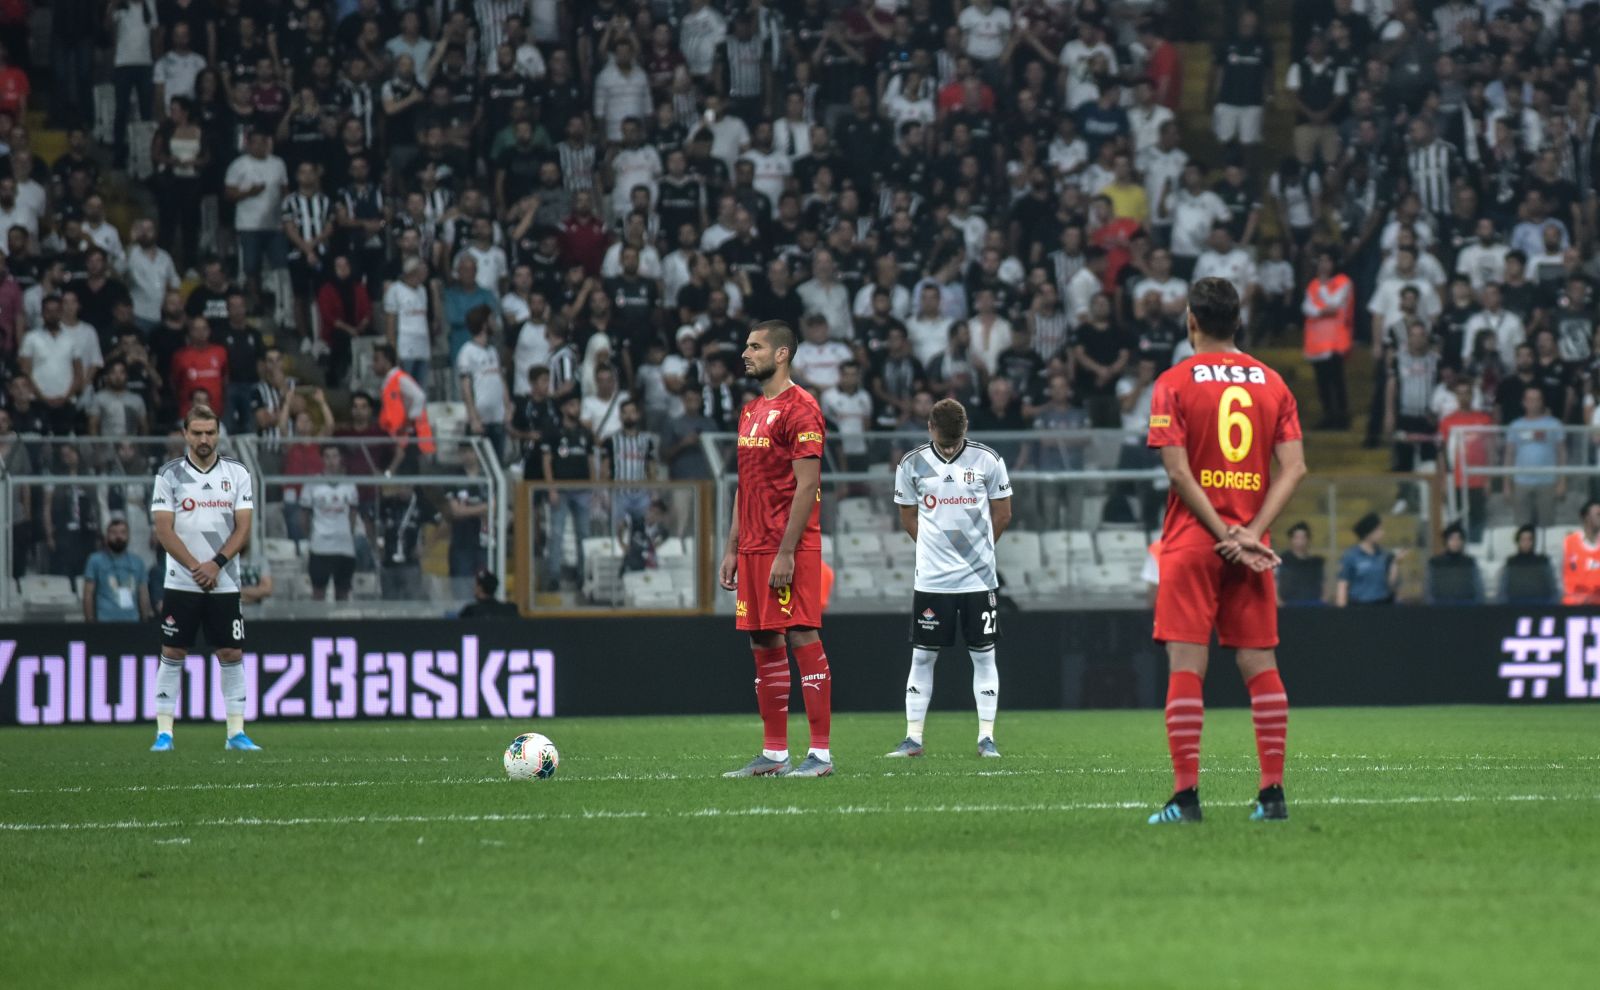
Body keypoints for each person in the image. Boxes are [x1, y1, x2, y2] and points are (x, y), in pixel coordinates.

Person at [1144, 276, 1306, 825]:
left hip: (1193, 540)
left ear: (1191, 320)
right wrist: (1250, 532)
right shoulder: (1273, 383)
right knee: (1261, 664)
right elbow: (1296, 467)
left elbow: (1177, 471)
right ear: (1238, 321)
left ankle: (1186, 798)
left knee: (1187, 665)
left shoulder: (1172, 382)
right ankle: (1272, 794)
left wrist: (1220, 532)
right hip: (1251, 546)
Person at [718, 320, 833, 778]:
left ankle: (820, 755)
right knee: (763, 639)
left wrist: (786, 552)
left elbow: (807, 485)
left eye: (755, 347)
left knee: (802, 634)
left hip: (790, 546)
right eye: (746, 346)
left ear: (782, 354)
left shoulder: (802, 408)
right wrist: (733, 547)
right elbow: (745, 484)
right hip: (753, 546)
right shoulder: (750, 411)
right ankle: (774, 754)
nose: (746, 354)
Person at [888, 397, 1012, 759]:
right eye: (943, 443)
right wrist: (935, 550)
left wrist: (977, 554)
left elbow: (1003, 514)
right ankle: (913, 739)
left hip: (978, 579)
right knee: (922, 657)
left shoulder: (988, 460)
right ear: (930, 429)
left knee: (984, 656)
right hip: (932, 580)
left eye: (954, 443)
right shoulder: (911, 464)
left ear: (966, 429)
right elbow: (907, 516)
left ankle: (986, 738)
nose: (948, 448)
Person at [148, 405, 260, 753]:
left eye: (210, 432)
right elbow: (163, 530)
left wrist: (217, 564)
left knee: (231, 651)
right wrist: (198, 566)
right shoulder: (169, 475)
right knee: (173, 650)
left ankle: (236, 733)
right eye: (197, 433)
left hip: (224, 580)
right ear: (185, 434)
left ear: (218, 433)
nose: (204, 439)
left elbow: (243, 527)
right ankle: (164, 733)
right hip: (182, 580)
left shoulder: (237, 473)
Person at [302, 445, 360, 602]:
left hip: (344, 546)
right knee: (318, 593)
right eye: (327, 457)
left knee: (343, 594)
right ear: (322, 459)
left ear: (340, 459)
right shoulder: (312, 483)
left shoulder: (349, 484)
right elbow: (304, 514)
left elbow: (353, 514)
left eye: (334, 456)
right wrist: (310, 536)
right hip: (320, 546)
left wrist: (348, 533)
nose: (331, 461)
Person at [1504, 387, 1566, 527]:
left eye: (1537, 399)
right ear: (1524, 402)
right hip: (1521, 482)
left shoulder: (1554, 424)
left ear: (1542, 402)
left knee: (1547, 526)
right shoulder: (1515, 426)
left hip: (1547, 482)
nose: (1533, 403)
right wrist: (1507, 484)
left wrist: (1562, 482)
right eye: (1530, 399)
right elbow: (1509, 455)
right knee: (1522, 527)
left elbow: (1561, 454)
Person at [82, 518, 151, 623]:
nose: (118, 536)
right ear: (106, 536)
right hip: (104, 622)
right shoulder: (95, 560)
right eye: (114, 533)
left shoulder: (137, 562)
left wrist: (145, 620)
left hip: (133, 622)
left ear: (128, 536)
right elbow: (88, 593)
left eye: (123, 533)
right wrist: (90, 622)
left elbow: (143, 593)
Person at [1335, 513, 1401, 606]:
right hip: (1359, 606)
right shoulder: (1351, 556)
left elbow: (1392, 584)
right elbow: (1342, 585)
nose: (1382, 533)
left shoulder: (1384, 555)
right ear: (1368, 533)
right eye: (1379, 530)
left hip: (1382, 604)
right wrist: (1341, 610)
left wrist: (1394, 563)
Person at [1426, 523, 1482, 605]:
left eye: (1458, 539)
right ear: (1446, 541)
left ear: (1462, 541)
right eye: (1452, 539)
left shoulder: (1470, 563)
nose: (1455, 542)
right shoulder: (1435, 563)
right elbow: (1428, 591)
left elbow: (1478, 591)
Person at [1501, 525, 1558, 604]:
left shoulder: (1543, 562)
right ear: (1518, 541)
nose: (1526, 543)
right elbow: (1503, 591)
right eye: (1523, 539)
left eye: (1529, 539)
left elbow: (1553, 590)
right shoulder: (1511, 563)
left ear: (1533, 542)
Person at [1560, 500, 1600, 606]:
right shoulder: (1569, 542)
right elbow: (1559, 576)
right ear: (1586, 518)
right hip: (1573, 605)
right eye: (1598, 514)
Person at [1276, 522, 1325, 605]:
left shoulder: (1315, 563)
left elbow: (1323, 586)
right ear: (1291, 540)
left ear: (1308, 540)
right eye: (1296, 538)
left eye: (1303, 538)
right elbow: (1275, 584)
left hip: (1313, 606)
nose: (1300, 541)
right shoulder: (1281, 561)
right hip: (1288, 606)